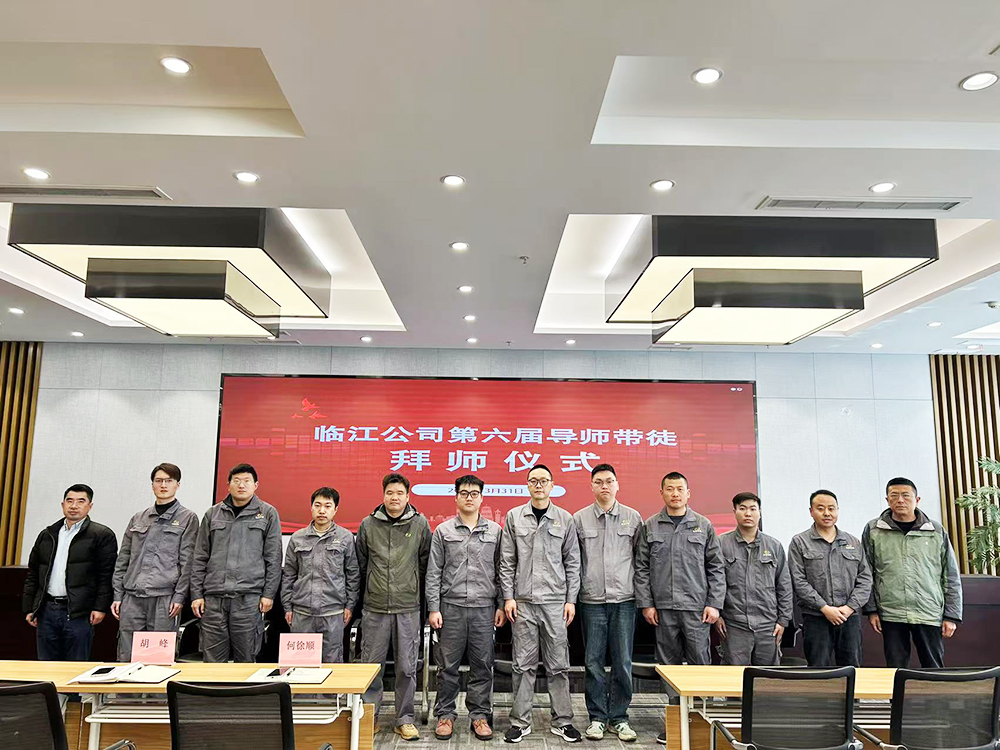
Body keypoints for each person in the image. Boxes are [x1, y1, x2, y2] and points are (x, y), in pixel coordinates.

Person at [500, 464, 582, 744]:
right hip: (523, 603)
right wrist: (508, 597)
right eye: (533, 480)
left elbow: (573, 563)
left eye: (543, 481)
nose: (538, 485)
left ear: (552, 485)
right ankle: (520, 722)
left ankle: (563, 721)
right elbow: (507, 561)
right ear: (527, 484)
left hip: (555, 603)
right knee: (523, 665)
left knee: (558, 664)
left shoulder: (565, 519)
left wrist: (571, 600)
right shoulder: (514, 517)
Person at [426, 475, 505, 741]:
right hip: (451, 608)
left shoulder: (495, 531)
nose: (469, 497)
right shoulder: (443, 531)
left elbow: (501, 571)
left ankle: (479, 716)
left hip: (484, 608)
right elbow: (434, 572)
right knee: (447, 666)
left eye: (474, 493)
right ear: (456, 497)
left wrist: (501, 605)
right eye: (464, 493)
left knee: (482, 665)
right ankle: (445, 715)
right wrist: (434, 608)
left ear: (482, 498)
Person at [357, 473, 432, 741]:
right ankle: (370, 717)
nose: (394, 497)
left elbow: (424, 564)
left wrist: (410, 587)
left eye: (400, 493)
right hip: (375, 607)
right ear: (383, 495)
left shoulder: (420, 524)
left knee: (406, 667)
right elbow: (361, 564)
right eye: (390, 492)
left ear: (408, 496)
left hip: (407, 607)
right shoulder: (368, 524)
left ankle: (405, 719)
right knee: (371, 666)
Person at [862, 477, 963, 668]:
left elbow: (950, 574)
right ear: (887, 500)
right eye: (894, 495)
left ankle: (934, 689)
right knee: (896, 669)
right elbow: (866, 573)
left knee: (933, 668)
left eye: (906, 495)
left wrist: (951, 615)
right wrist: (872, 610)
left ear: (917, 500)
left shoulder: (935, 530)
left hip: (929, 610)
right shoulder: (874, 530)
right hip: (891, 611)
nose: (900, 500)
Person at [572, 464, 641, 743]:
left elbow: (641, 561)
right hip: (592, 601)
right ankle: (598, 718)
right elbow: (574, 562)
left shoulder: (633, 518)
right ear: (591, 486)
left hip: (624, 600)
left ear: (617, 485)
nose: (604, 486)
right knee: (593, 662)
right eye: (599, 481)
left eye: (609, 481)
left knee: (623, 661)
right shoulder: (579, 519)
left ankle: (620, 717)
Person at [189, 463, 282, 662]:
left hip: (248, 599)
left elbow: (273, 558)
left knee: (246, 659)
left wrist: (268, 594)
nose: (241, 485)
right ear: (228, 485)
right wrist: (196, 594)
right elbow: (200, 557)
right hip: (214, 599)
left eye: (247, 481)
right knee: (212, 660)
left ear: (256, 485)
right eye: (237, 481)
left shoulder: (267, 513)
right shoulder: (213, 514)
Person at [111, 463, 199, 661]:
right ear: (152, 485)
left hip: (164, 598)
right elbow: (123, 559)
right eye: (159, 481)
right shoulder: (138, 518)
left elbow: (188, 563)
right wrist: (118, 595)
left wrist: (179, 597)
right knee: (126, 656)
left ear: (177, 485)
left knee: (157, 658)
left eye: (169, 481)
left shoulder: (187, 518)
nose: (163, 485)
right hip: (132, 597)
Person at [23, 484, 118, 660]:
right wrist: (30, 608)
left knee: (75, 665)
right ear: (63, 504)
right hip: (47, 609)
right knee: (45, 665)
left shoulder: (102, 535)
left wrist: (100, 607)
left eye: (81, 501)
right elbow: (33, 573)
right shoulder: (47, 534)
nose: (74, 506)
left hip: (79, 612)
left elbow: (106, 575)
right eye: (70, 501)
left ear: (90, 506)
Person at [788, 490, 872, 667]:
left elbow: (865, 579)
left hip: (849, 617)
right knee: (818, 670)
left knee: (852, 668)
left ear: (837, 510)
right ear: (811, 511)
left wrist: (849, 608)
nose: (827, 513)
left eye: (831, 508)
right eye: (820, 508)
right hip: (816, 617)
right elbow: (798, 581)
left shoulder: (853, 542)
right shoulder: (800, 542)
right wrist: (825, 608)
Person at [281, 486, 360, 664]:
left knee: (332, 664)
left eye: (327, 506)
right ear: (311, 508)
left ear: (335, 510)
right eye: (317, 505)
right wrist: (287, 607)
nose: (322, 510)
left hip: (333, 613)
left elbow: (353, 575)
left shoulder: (345, 538)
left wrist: (349, 606)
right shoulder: (297, 538)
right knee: (300, 665)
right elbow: (289, 575)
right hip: (302, 613)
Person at [715, 492, 792, 666]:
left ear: (760, 512)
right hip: (734, 624)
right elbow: (712, 582)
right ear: (734, 512)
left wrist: (783, 620)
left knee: (767, 678)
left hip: (768, 625)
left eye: (752, 509)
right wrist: (717, 615)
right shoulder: (720, 544)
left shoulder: (774, 546)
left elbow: (784, 585)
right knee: (735, 678)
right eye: (742, 509)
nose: (748, 513)